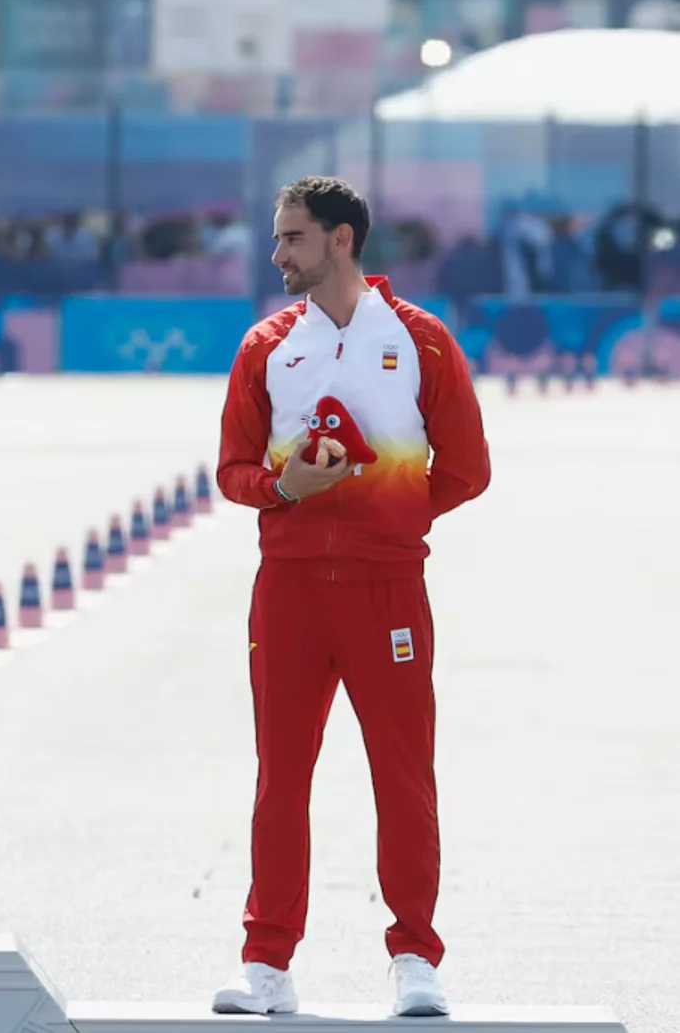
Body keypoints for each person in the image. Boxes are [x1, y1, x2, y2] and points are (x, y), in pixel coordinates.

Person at [212, 176, 490, 1017]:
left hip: (387, 590)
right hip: (290, 591)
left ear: (340, 240)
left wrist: (391, 514)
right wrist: (285, 487)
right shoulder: (267, 345)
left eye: (292, 237)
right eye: (277, 236)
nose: (277, 253)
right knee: (280, 778)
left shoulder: (420, 340)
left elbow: (468, 469)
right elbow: (231, 473)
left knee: (403, 775)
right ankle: (267, 962)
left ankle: (415, 955)